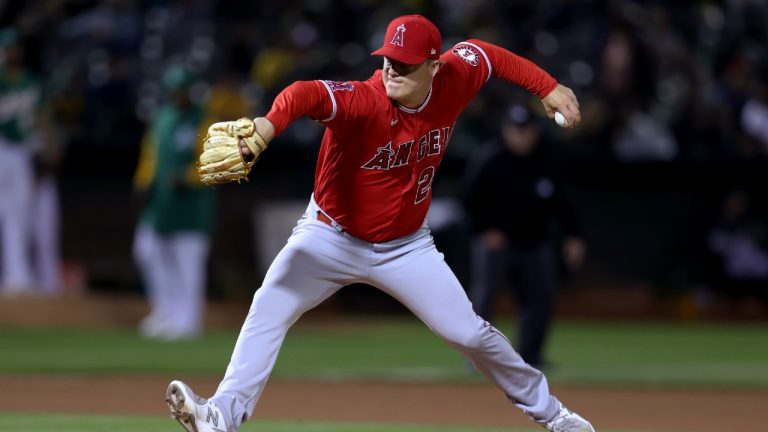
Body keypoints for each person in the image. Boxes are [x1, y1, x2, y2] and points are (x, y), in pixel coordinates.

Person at [166, 15, 593, 432]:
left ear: (434, 66)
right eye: (389, 57)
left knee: (470, 335)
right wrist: (266, 125)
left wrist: (548, 86)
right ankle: (221, 416)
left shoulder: (457, 77)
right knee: (269, 306)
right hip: (329, 236)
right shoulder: (364, 99)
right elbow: (304, 93)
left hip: (406, 248)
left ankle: (554, 415)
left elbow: (489, 54)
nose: (392, 68)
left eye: (406, 62)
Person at [463, 103, 586, 368]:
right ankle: (477, 358)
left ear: (535, 131)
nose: (521, 136)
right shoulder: (490, 159)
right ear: (506, 131)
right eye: (516, 130)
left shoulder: (547, 160)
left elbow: (564, 203)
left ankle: (530, 357)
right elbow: (470, 201)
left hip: (533, 242)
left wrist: (574, 235)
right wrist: (485, 230)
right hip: (495, 244)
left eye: (526, 130)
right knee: (483, 299)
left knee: (540, 300)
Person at [132, 65, 216, 340]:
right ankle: (165, 311)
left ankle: (188, 320)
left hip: (192, 207)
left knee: (187, 264)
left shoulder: (204, 119)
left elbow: (215, 162)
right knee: (147, 250)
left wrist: (187, 177)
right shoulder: (163, 117)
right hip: (161, 204)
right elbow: (150, 153)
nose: (178, 95)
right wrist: (142, 181)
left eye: (182, 90)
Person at [0, 28, 42, 295]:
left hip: (23, 151)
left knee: (21, 214)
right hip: (1, 147)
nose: (11, 52)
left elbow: (41, 117)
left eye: (14, 47)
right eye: (7, 48)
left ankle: (18, 275)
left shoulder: (29, 80)